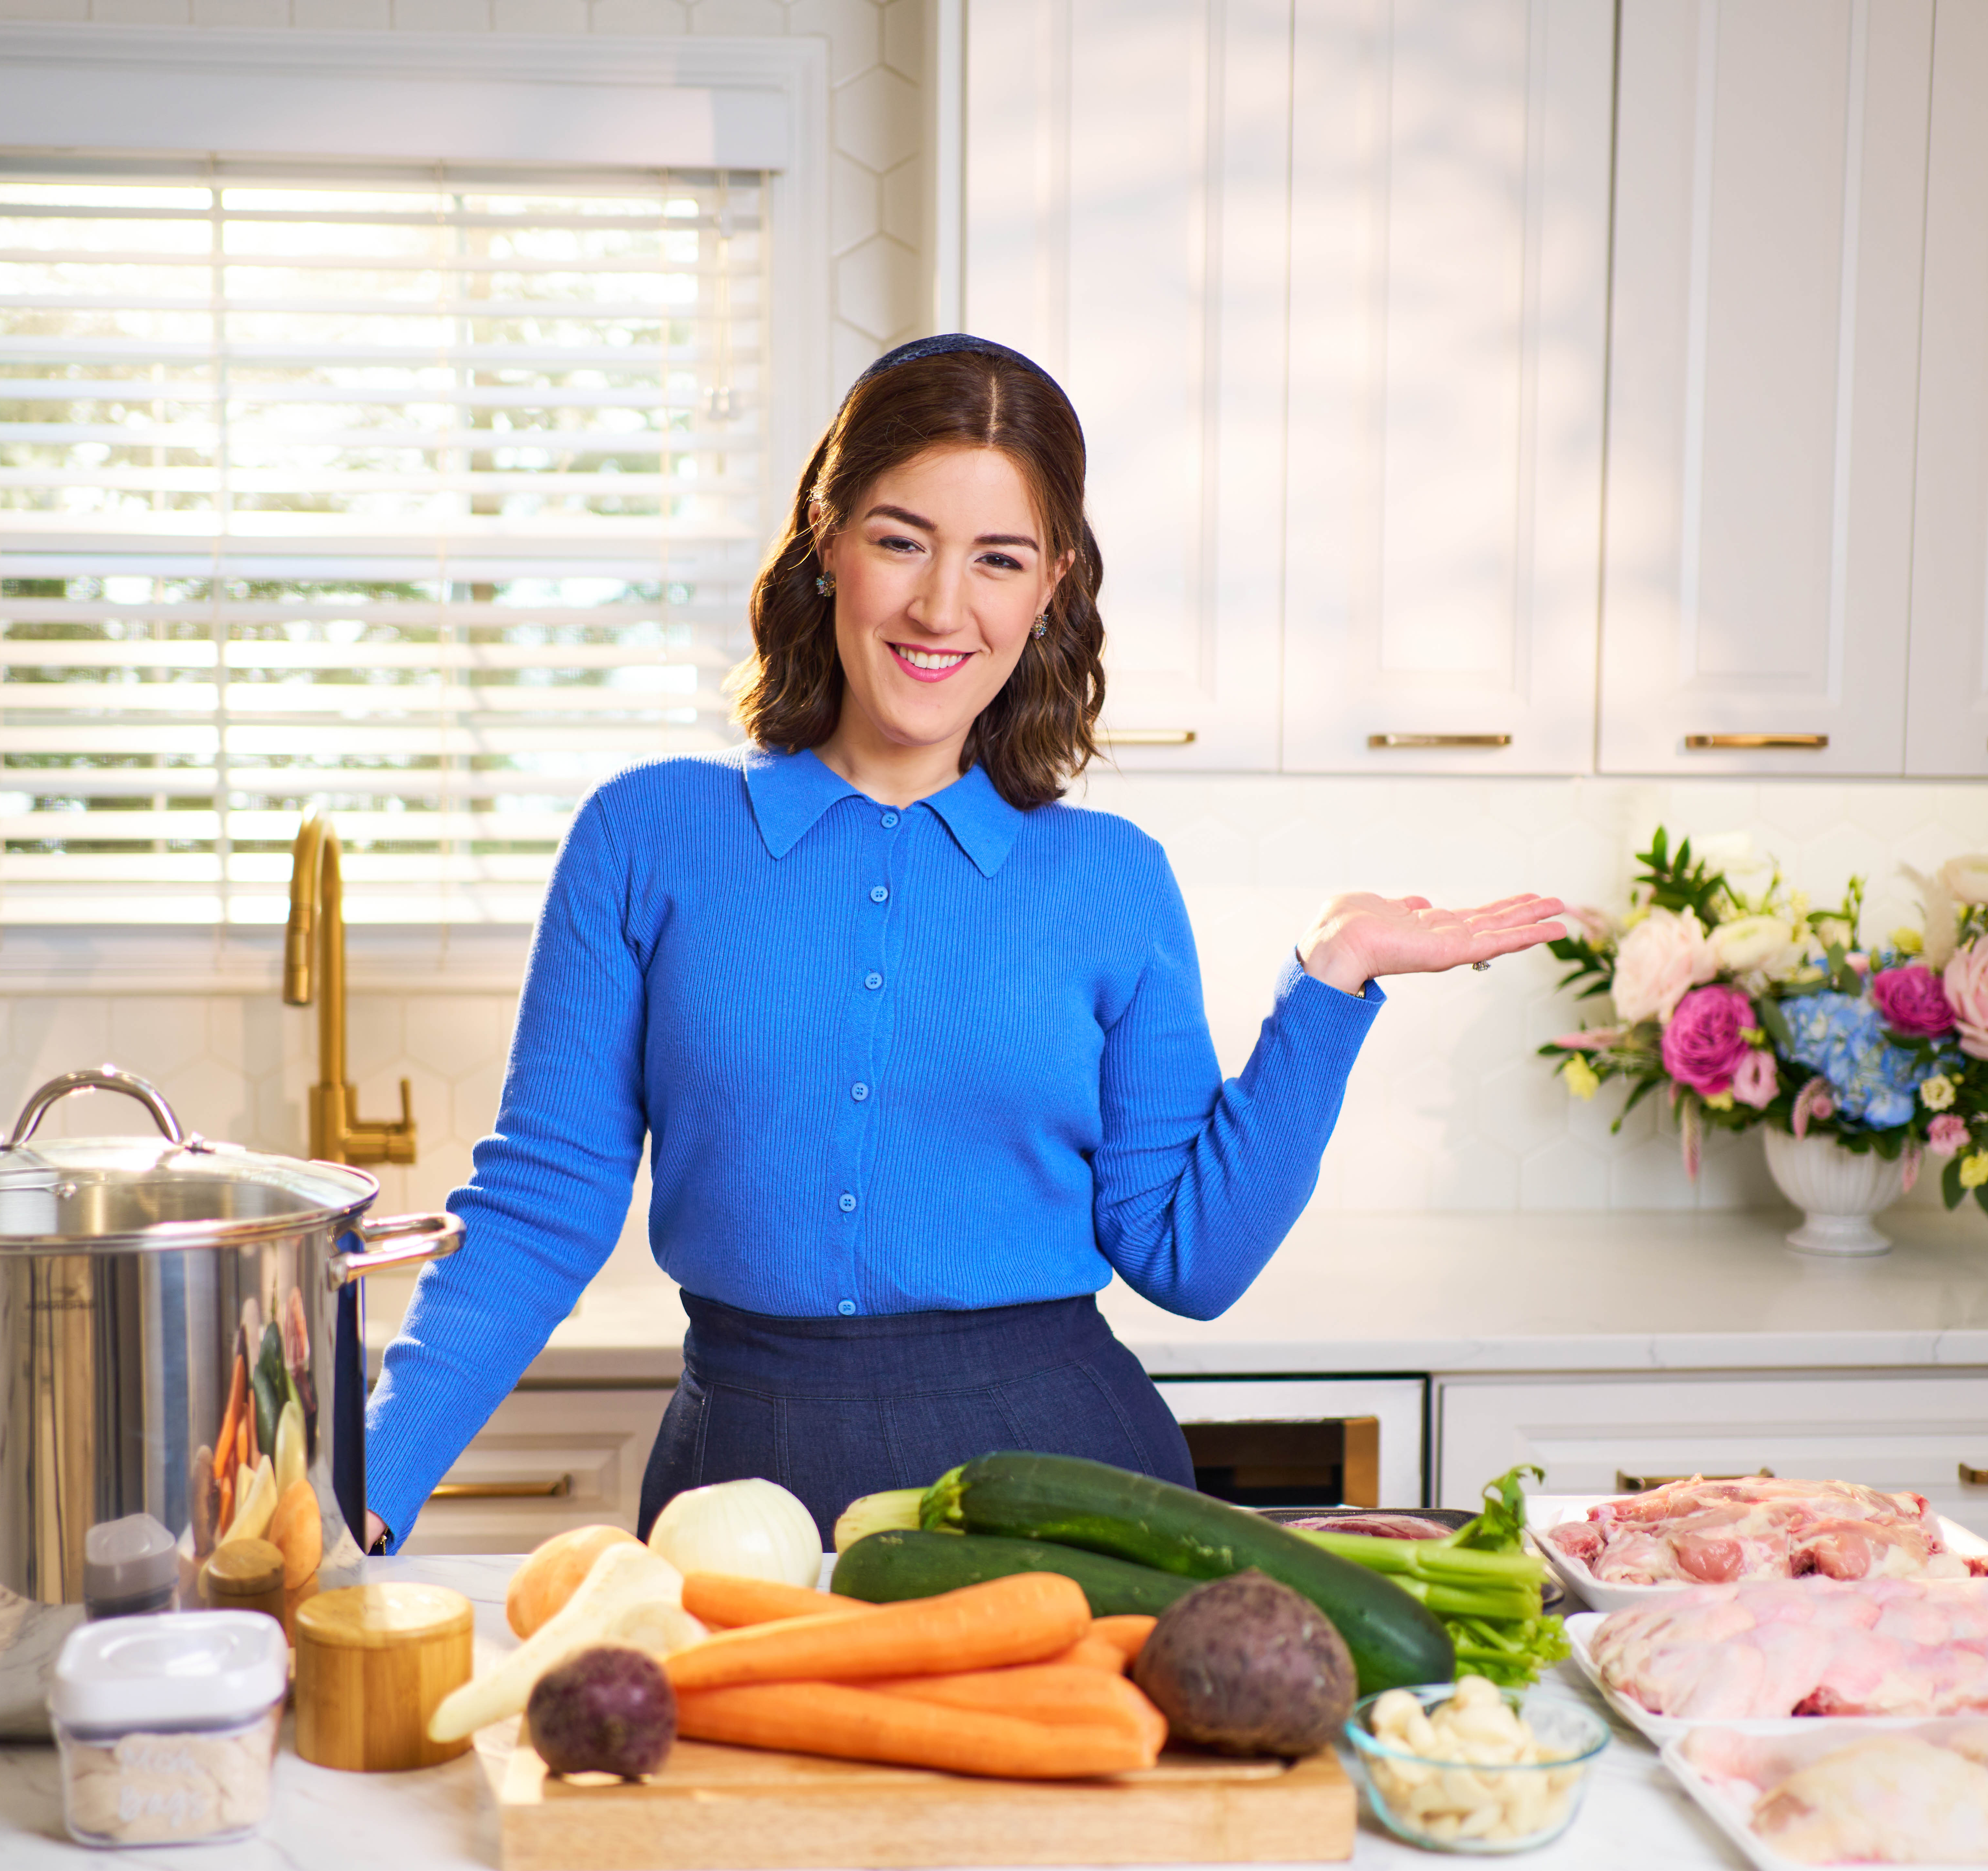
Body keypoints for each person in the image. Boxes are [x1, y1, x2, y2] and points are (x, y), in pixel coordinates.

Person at [362, 334, 1565, 1548]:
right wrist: (361, 1493)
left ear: (1049, 590)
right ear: (827, 543)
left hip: (1063, 1484)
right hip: (743, 1486)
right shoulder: (648, 837)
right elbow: (539, 1206)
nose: (943, 606)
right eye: (901, 540)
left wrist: (1330, 983)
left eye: (999, 559)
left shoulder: (1108, 880)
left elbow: (1188, 1259)